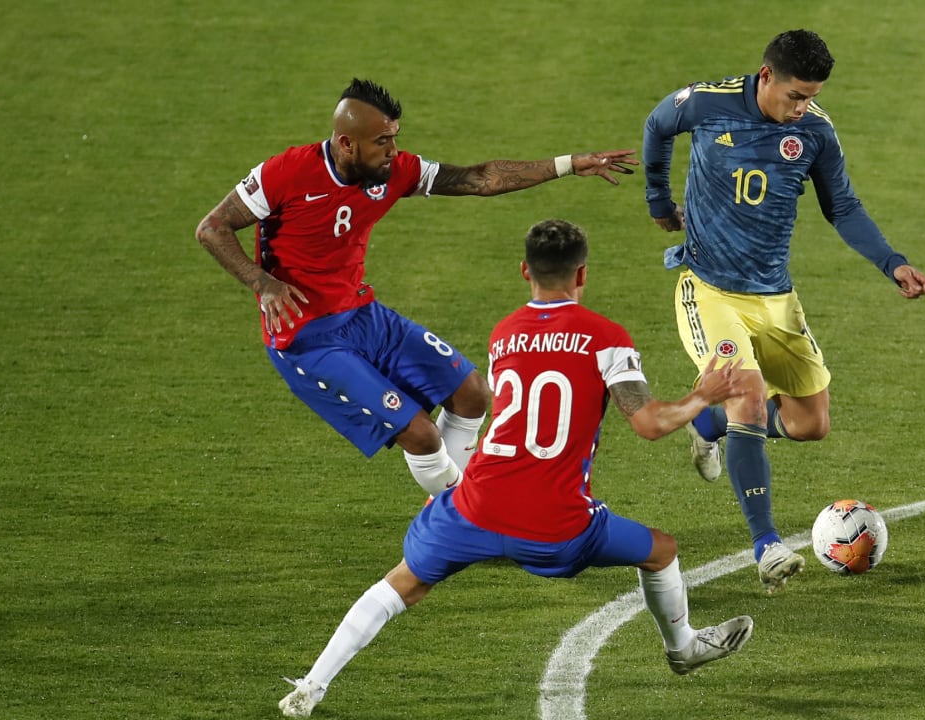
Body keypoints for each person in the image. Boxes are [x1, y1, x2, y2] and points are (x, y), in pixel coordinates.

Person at [277, 219, 754, 718]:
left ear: (525, 270)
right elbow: (650, 424)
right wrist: (703, 396)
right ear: (582, 274)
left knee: (402, 584)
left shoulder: (505, 333)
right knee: (661, 551)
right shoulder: (606, 338)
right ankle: (683, 648)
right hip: (558, 524)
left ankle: (312, 685)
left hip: (475, 506)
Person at [196, 78, 638, 497]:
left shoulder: (394, 171)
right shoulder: (285, 172)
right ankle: (464, 516)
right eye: (382, 141)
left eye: (394, 138)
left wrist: (568, 164)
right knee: (422, 436)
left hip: (362, 315)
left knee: (472, 394)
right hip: (306, 337)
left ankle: (451, 510)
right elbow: (212, 228)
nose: (394, 151)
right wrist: (263, 283)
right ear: (347, 143)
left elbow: (480, 179)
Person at [642, 30, 925, 593]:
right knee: (749, 396)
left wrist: (892, 263)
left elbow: (842, 205)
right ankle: (767, 545)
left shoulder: (815, 132)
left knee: (809, 424)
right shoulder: (707, 103)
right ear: (766, 76)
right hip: (709, 289)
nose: (801, 108)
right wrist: (658, 201)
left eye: (811, 97)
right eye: (795, 95)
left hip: (775, 297)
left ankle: (708, 423)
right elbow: (658, 125)